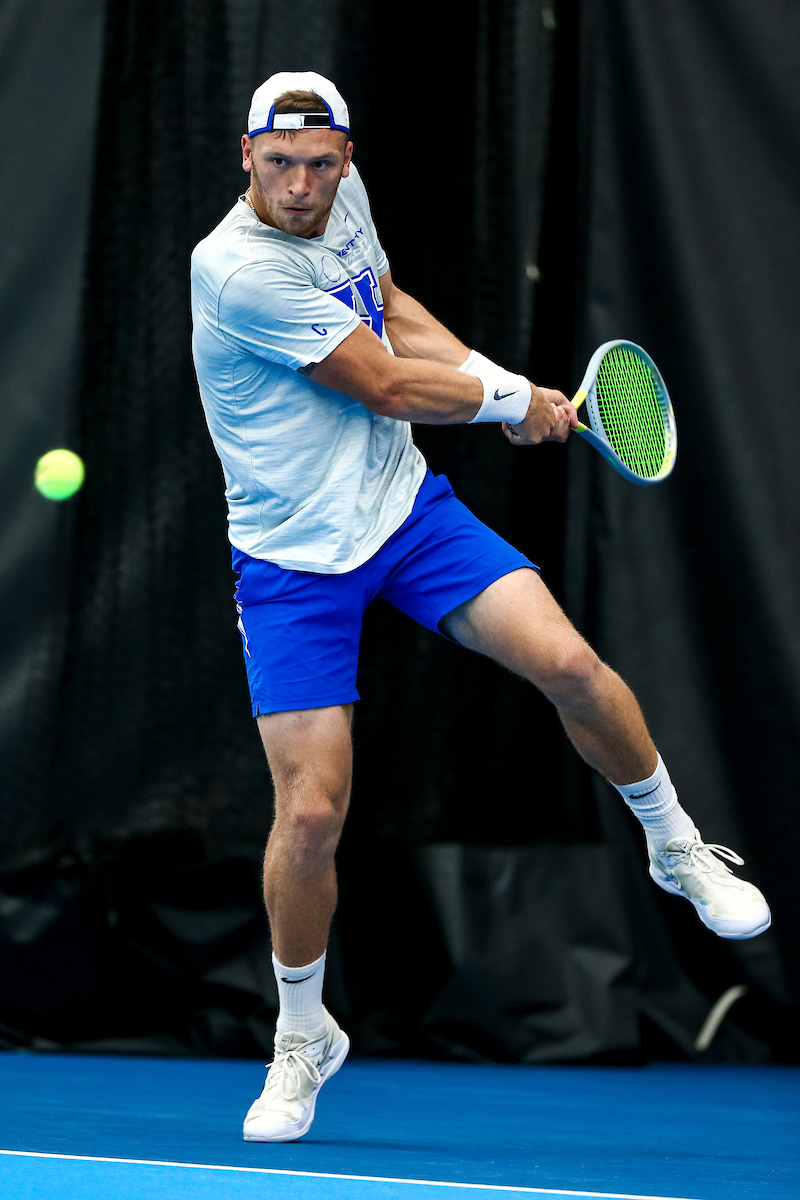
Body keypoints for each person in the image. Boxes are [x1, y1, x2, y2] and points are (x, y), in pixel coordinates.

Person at [190, 71, 771, 1143]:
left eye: (322, 164)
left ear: (344, 157)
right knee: (311, 815)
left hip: (404, 511)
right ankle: (302, 1035)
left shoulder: (341, 201)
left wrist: (499, 381)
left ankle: (674, 841)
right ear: (244, 156)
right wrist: (512, 402)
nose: (304, 185)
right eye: (282, 165)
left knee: (569, 664)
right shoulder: (232, 271)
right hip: (289, 562)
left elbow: (394, 311)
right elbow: (382, 383)